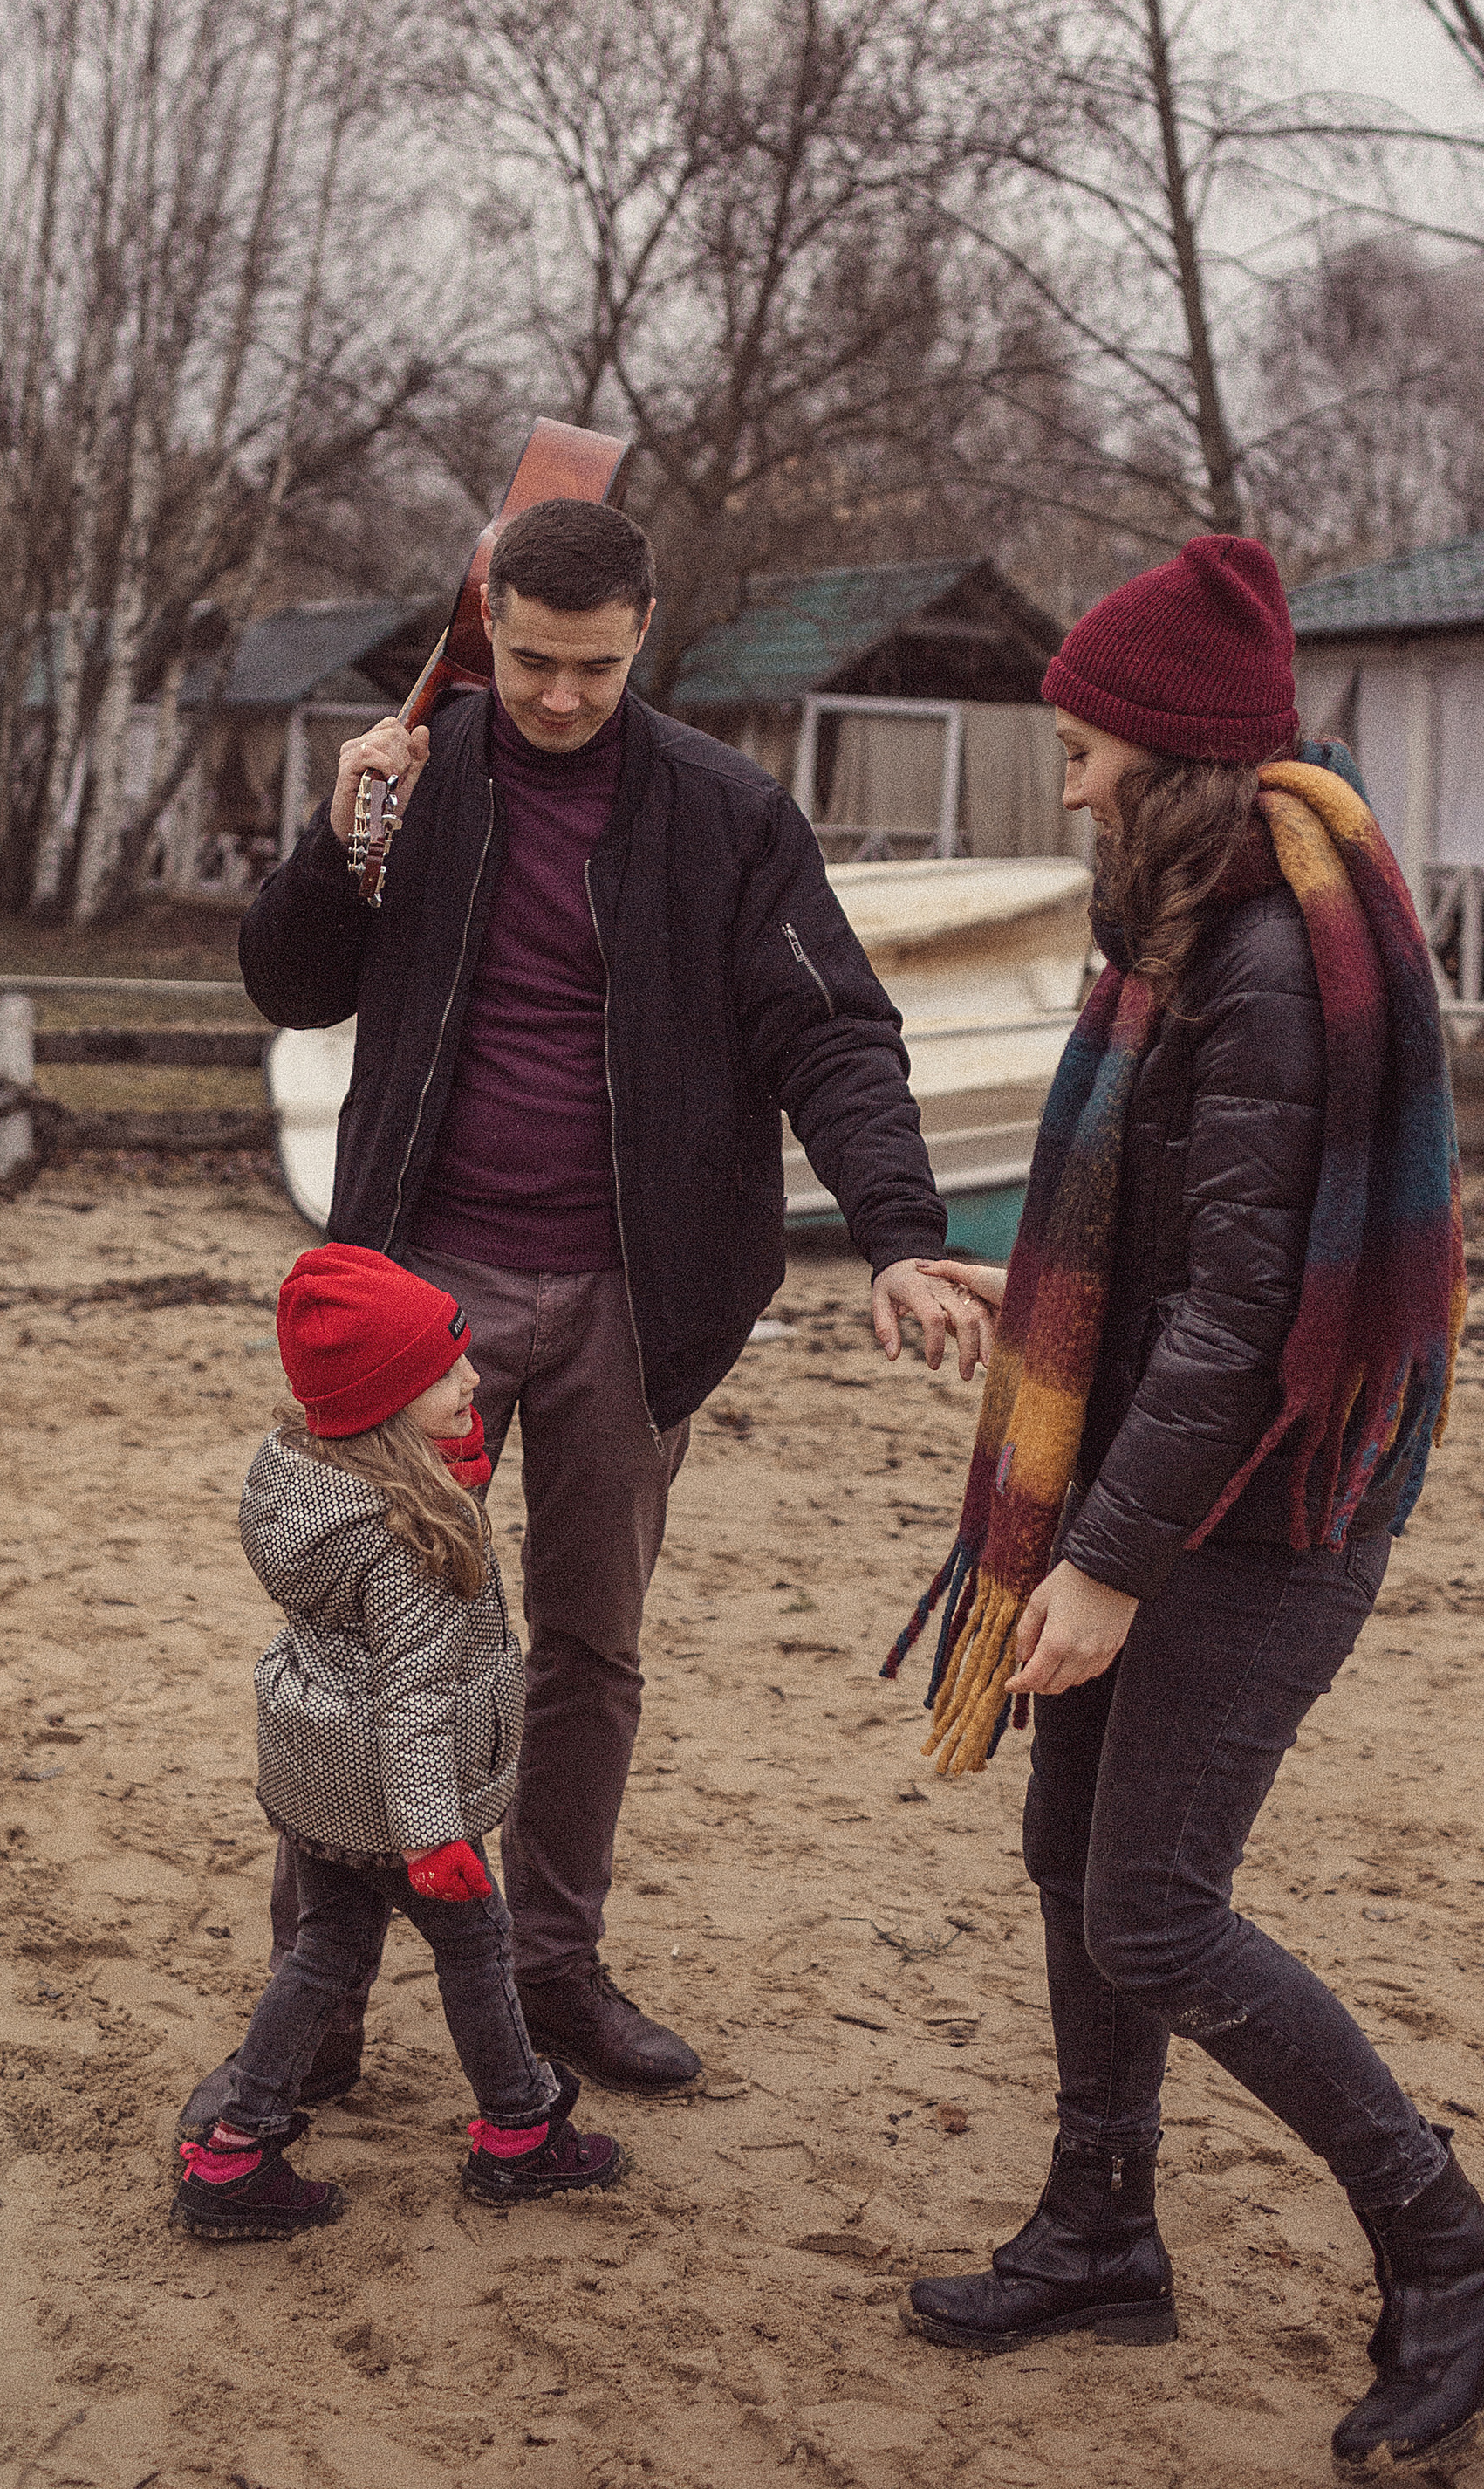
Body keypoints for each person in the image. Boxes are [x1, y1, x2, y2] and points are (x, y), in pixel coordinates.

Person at [886, 536, 1484, 2476]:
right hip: (1166, 1475)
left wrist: (1099, 1561)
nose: (1066, 782)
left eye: (1086, 749)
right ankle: (1099, 2228)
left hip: (1267, 1508)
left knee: (1154, 1910)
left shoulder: (1266, 963)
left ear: (1167, 763)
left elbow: (1243, 1313)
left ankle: (1452, 2252)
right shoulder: (1176, 932)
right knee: (1066, 1851)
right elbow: (1147, 1252)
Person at [231, 495, 975, 2095]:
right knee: (369, 1641)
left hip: (637, 1297)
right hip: (419, 1292)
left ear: (646, 632)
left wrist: (901, 1230)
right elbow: (292, 989)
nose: (558, 696)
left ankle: (555, 1973)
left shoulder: (723, 812)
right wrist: (334, 838)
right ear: (483, 627)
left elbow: (834, 1034)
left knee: (589, 1649)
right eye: (528, 661)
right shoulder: (416, 784)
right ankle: (326, 1996)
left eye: (592, 665)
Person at [171, 1243, 625, 2241]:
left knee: (323, 1950)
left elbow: (353, 1624)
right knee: (476, 1945)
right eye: (443, 1371)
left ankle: (234, 2147)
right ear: (381, 1400)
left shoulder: (301, 1481)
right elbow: (415, 1696)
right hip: (398, 1803)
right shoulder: (413, 1538)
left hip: (318, 1776)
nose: (474, 1378)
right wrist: (432, 1837)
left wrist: (430, 1463)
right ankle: (519, 2130)